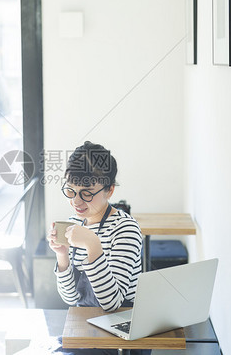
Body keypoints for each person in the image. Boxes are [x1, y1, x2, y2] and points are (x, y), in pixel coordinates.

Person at [17, 142, 147, 355]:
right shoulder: (75, 224)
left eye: (87, 193)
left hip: (117, 341)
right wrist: (63, 257)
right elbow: (71, 299)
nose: (76, 201)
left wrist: (93, 245)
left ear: (110, 190)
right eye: (71, 191)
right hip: (85, 332)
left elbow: (112, 304)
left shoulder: (126, 228)